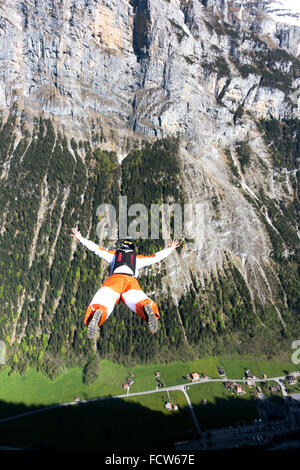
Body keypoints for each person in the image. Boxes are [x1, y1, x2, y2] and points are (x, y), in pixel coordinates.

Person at [71, 227, 180, 338]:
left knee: (104, 301)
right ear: (132, 250)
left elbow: (96, 249)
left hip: (115, 280)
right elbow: (155, 257)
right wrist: (170, 249)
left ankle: (99, 311)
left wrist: (81, 238)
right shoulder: (137, 259)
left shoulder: (113, 255)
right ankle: (146, 306)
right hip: (130, 282)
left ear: (121, 248)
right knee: (137, 301)